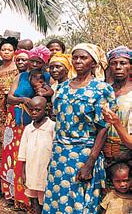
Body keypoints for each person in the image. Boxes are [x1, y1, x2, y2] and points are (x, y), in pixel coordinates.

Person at [43, 43, 115, 213]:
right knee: (57, 201)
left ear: (94, 63)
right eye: (75, 57)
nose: (78, 61)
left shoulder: (102, 89)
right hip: (60, 154)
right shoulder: (61, 88)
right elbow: (58, 121)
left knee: (80, 203)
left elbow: (103, 128)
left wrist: (89, 163)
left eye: (83, 57)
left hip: (84, 155)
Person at [2, 44, 51, 209]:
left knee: (31, 161)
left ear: (44, 63)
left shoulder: (47, 77)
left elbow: (47, 96)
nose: (35, 65)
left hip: (34, 125)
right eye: (33, 61)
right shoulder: (21, 76)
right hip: (15, 123)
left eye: (39, 62)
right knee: (15, 159)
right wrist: (24, 100)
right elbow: (9, 98)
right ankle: (16, 197)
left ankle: (30, 201)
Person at [18, 96, 55, 214]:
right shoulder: (28, 129)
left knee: (46, 198)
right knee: (34, 198)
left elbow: (55, 149)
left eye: (38, 110)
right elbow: (23, 152)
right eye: (31, 110)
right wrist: (23, 172)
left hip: (45, 170)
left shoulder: (52, 127)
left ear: (46, 109)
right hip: (32, 170)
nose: (34, 113)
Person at [103, 46, 131, 168]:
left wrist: (116, 122)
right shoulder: (103, 91)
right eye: (114, 63)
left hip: (127, 156)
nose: (118, 67)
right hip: (104, 156)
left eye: (123, 63)